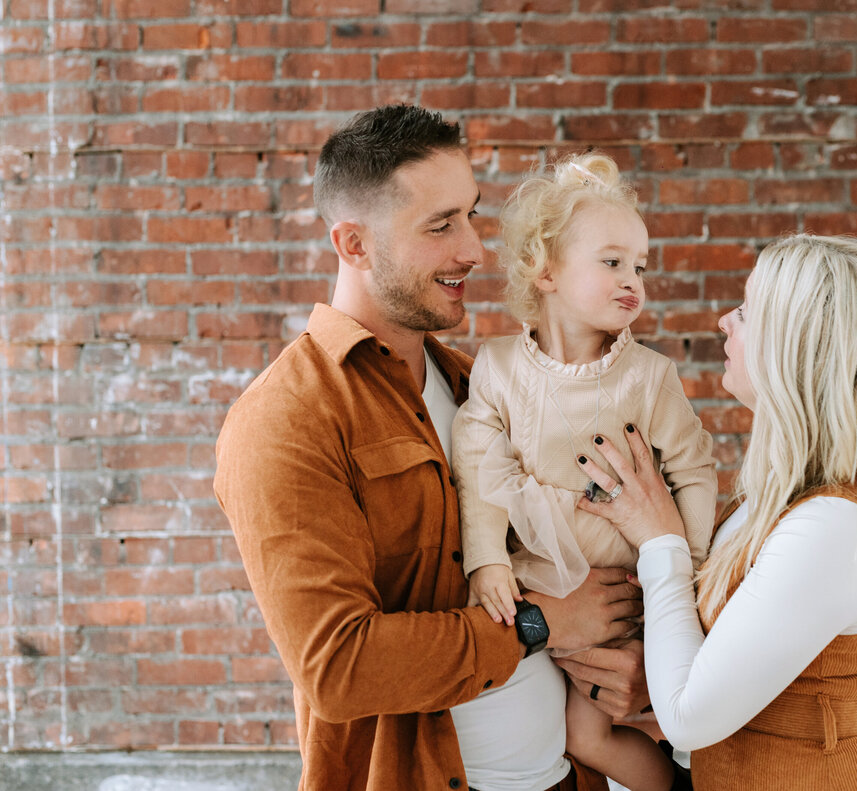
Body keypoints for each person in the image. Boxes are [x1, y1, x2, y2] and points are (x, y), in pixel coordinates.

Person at [213, 104, 646, 791]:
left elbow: (570, 558)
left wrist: (625, 667)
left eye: (471, 215)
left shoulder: (481, 385)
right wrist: (539, 625)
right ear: (354, 244)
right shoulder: (287, 418)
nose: (473, 249)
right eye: (441, 226)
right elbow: (339, 667)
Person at [573, 234, 857, 789]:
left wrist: (660, 540)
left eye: (749, 311)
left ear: (798, 346)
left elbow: (687, 718)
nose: (725, 320)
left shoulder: (836, 529)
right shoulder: (776, 501)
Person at [451, 153, 716, 791]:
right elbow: (479, 466)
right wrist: (485, 559)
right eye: (612, 261)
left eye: (641, 267)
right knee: (553, 730)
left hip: (631, 599)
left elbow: (695, 469)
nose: (634, 280)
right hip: (534, 595)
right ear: (545, 270)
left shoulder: (648, 378)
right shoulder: (500, 367)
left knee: (594, 733)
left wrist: (693, 580)